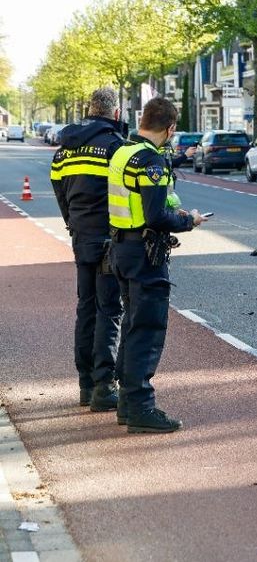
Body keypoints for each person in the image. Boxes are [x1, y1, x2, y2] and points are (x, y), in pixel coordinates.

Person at [108, 97, 208, 433]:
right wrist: (188, 220)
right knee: (147, 330)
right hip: (144, 253)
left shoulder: (122, 152)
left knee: (132, 327)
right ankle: (140, 407)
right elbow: (155, 215)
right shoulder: (150, 161)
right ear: (170, 128)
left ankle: (126, 403)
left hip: (121, 248)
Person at [50, 88, 128, 411]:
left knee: (85, 307)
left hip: (81, 237)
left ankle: (85, 384)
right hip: (109, 240)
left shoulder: (64, 151)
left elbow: (59, 191)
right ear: (116, 113)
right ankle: (103, 385)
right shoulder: (115, 148)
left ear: (88, 110)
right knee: (108, 309)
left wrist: (73, 223)